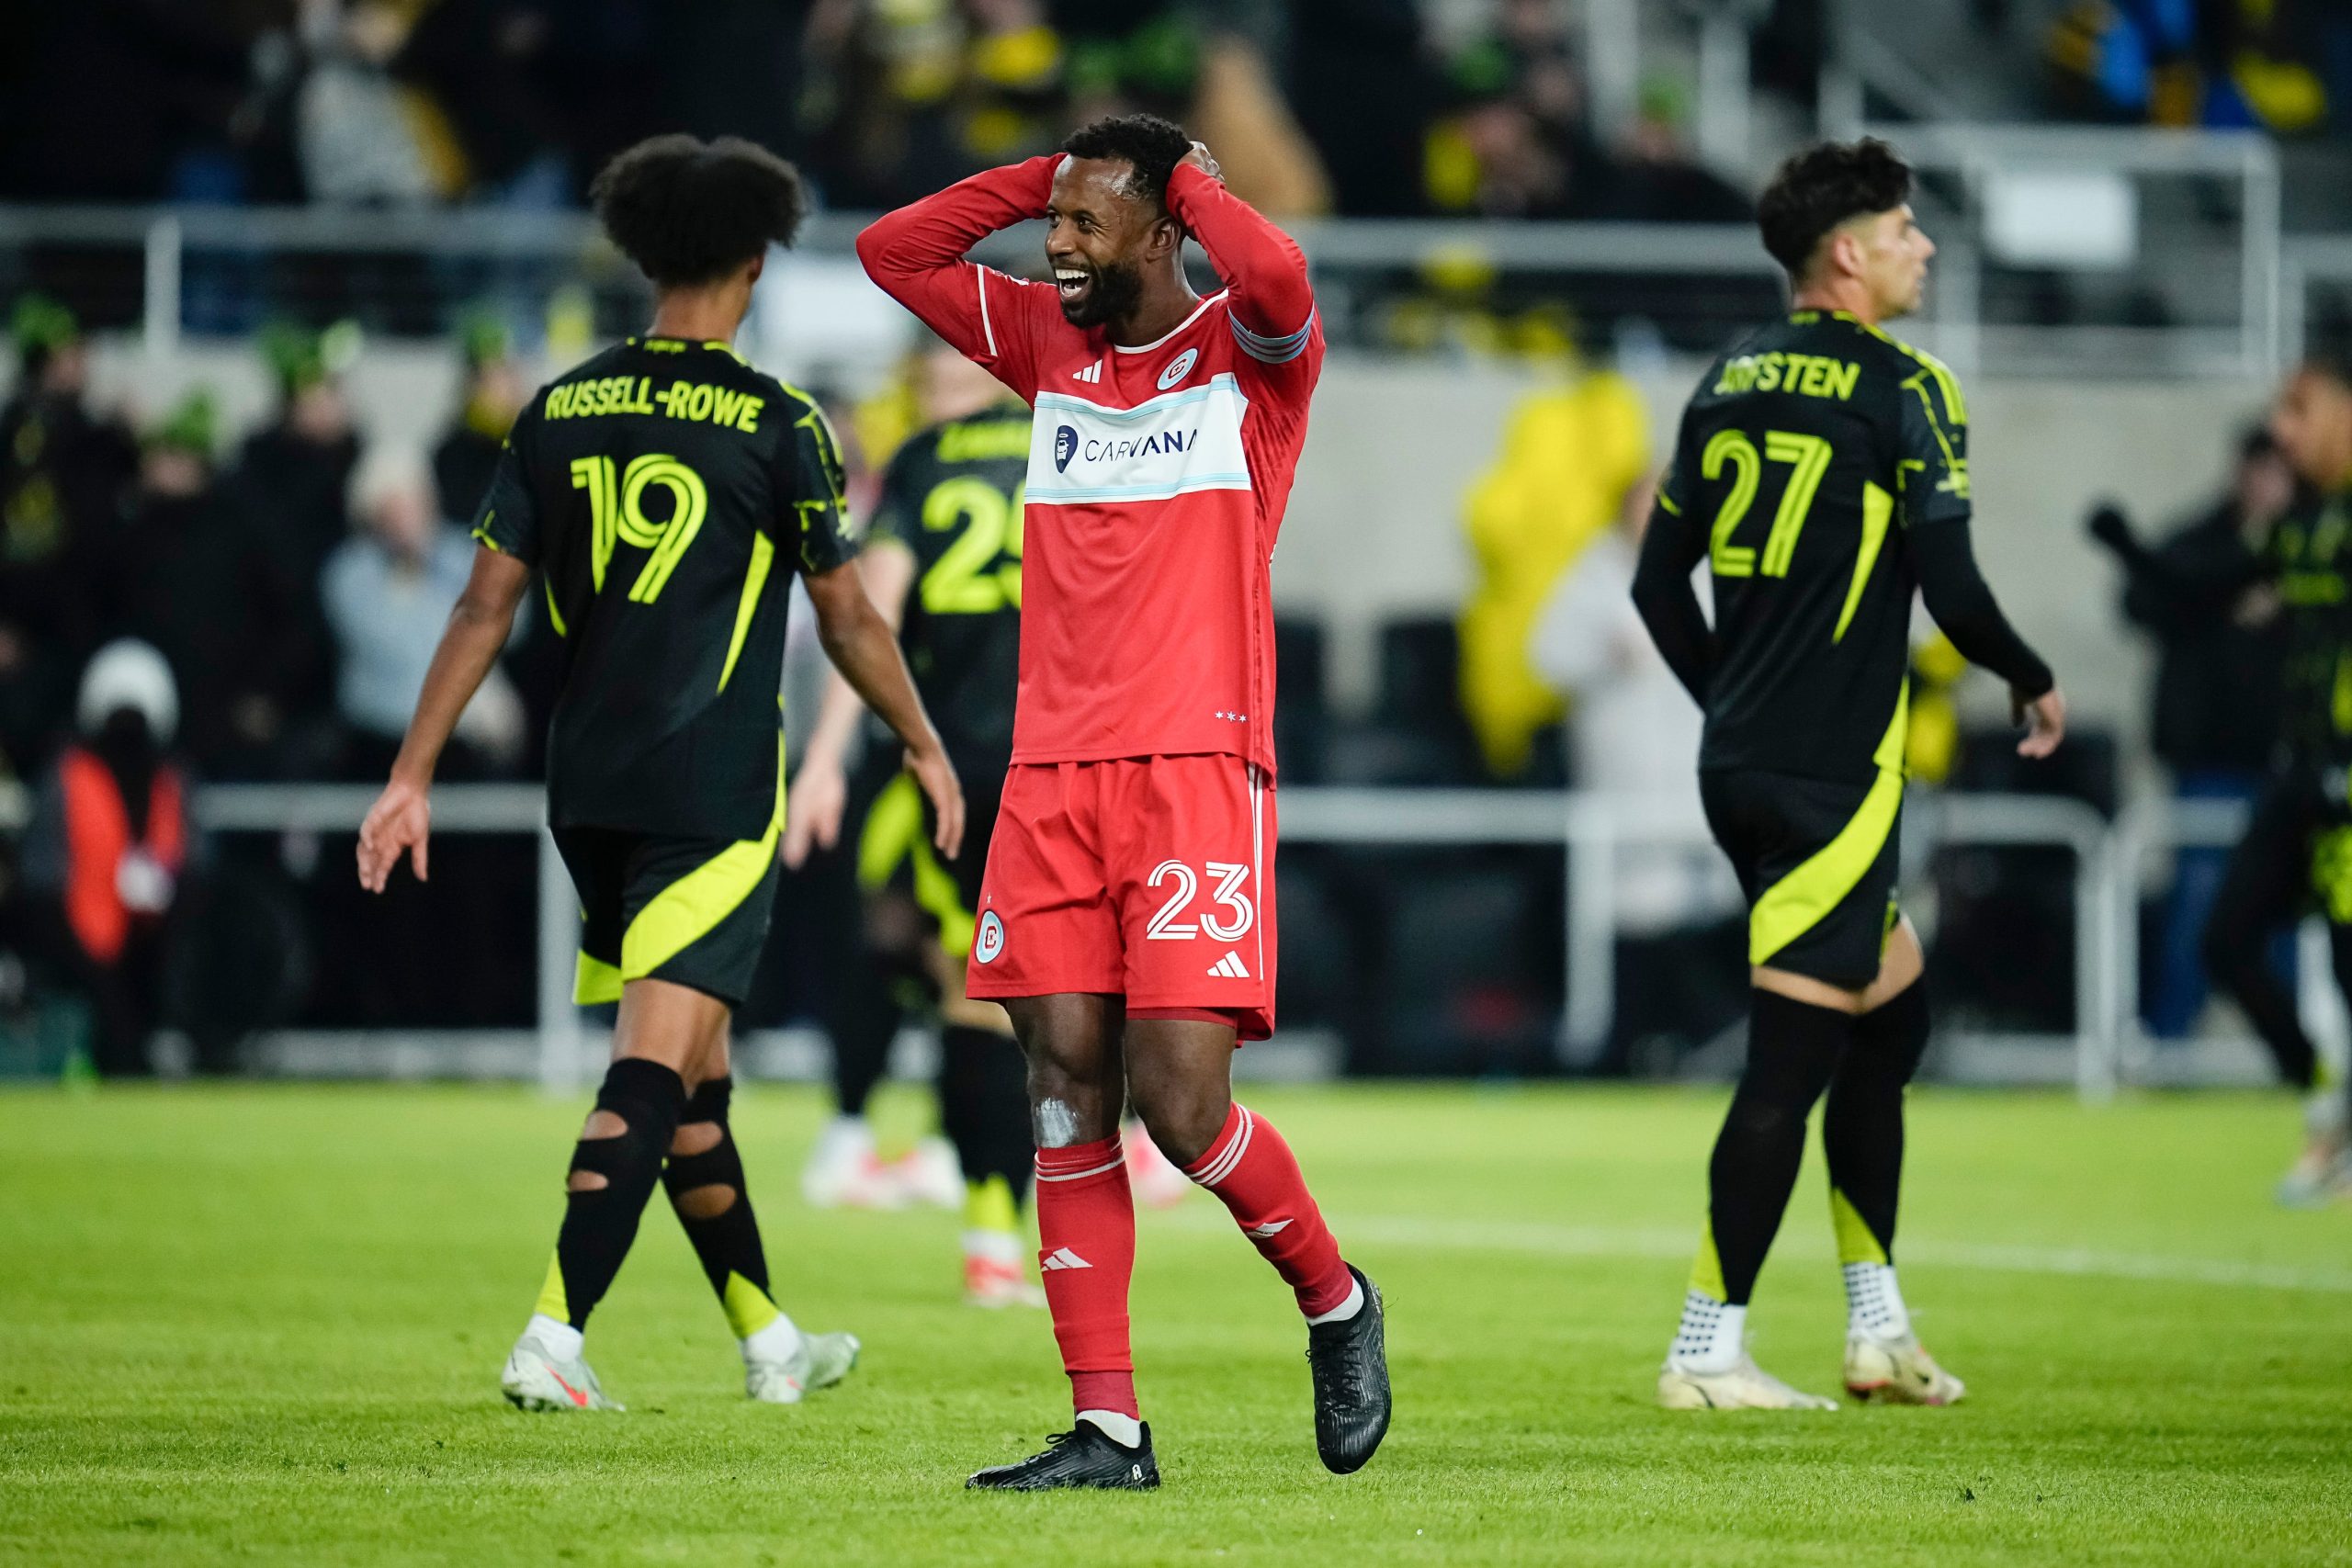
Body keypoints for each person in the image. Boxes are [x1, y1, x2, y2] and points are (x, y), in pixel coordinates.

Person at [355, 133, 965, 1414]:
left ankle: (769, 1337)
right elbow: (851, 618)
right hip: (715, 789)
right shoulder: (776, 420)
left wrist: (410, 772)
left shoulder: (557, 408)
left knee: (697, 1078)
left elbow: (480, 609)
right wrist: (918, 735)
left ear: (642, 260)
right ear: (752, 266)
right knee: (651, 1060)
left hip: (588, 790)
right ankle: (554, 1332)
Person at [859, 113, 1391, 1489]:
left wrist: (1188, 181)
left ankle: (1336, 1300)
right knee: (1060, 1091)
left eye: (1090, 225)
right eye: (1054, 223)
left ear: (1168, 226)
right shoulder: (1048, 345)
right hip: (1047, 774)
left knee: (1183, 1102)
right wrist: (1049, 177)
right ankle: (1108, 1426)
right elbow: (891, 248)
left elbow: (1277, 281)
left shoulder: (1247, 365)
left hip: (1197, 768)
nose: (1059, 244)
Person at [1631, 138, 2065, 1410]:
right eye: (1905, 228)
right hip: (1835, 775)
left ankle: (1877, 1324)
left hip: (1741, 759)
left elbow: (1660, 585)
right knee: (1789, 1062)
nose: (1923, 247)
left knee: (1892, 1017)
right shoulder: (1907, 385)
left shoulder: (1726, 377)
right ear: (1848, 253)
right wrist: (2032, 674)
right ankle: (1706, 1345)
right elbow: (1954, 584)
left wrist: (1733, 699)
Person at [782, 341, 1046, 1304]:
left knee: (974, 989)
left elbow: (872, 621)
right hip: (1073, 761)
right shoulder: (1078, 441)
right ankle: (1016, 1215)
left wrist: (822, 756)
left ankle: (988, 1234)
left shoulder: (926, 465)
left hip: (961, 766)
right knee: (1057, 996)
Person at [2193, 357, 2352, 1203]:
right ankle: (2325, 1099)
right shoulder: (2303, 519)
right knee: (2226, 939)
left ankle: (2332, 1134)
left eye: (2299, 409)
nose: (2284, 430)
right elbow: (2198, 587)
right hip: (2304, 779)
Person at [2084, 431, 2294, 1039]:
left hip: (2288, 767)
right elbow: (2139, 603)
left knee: (2285, 922)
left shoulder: (2316, 542)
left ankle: (2291, 1046)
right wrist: (2217, 595)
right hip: (2208, 765)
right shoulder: (2200, 541)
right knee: (2195, 911)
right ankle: (2168, 1043)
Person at [19, 640, 192, 1077]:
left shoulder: (170, 783)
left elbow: (192, 861)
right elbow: (40, 881)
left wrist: (163, 888)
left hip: (151, 938)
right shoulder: (67, 777)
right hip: (78, 940)